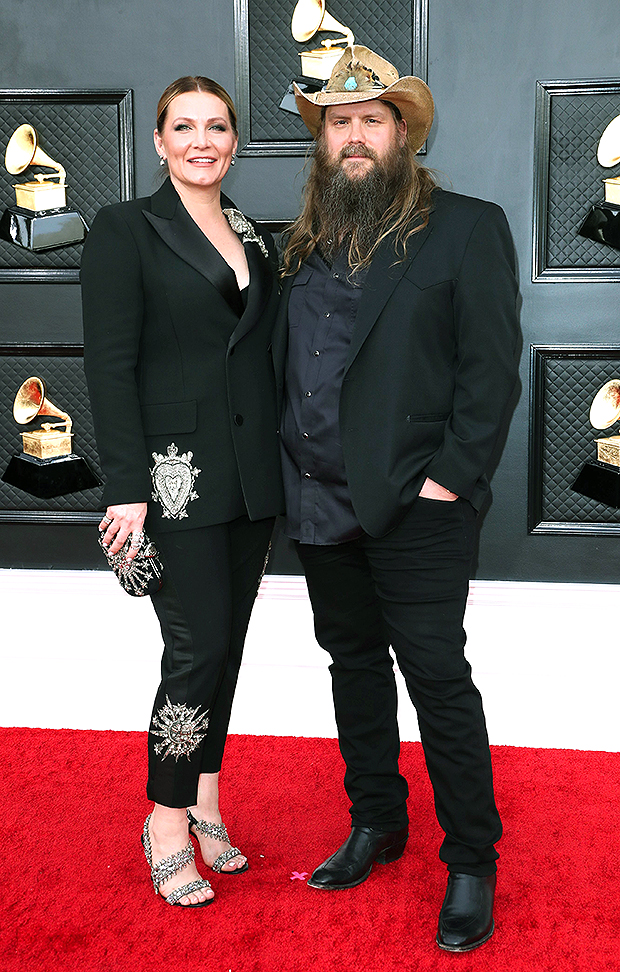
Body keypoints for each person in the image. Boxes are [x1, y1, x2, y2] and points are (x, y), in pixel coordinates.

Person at [273, 46, 519, 951]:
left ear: (404, 133)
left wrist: (448, 479)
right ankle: (378, 820)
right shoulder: (297, 243)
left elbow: (491, 373)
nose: (355, 135)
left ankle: (472, 858)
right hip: (317, 502)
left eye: (372, 119)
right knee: (352, 668)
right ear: (323, 141)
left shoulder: (466, 226)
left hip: (420, 504)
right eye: (339, 121)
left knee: (435, 676)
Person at [81, 76, 283, 908]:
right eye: (185, 127)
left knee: (226, 649)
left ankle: (204, 800)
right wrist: (127, 488)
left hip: (251, 478)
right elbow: (109, 364)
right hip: (174, 479)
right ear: (159, 142)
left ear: (234, 142)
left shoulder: (252, 234)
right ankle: (164, 822)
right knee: (194, 650)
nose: (203, 140)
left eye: (218, 127)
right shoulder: (125, 229)